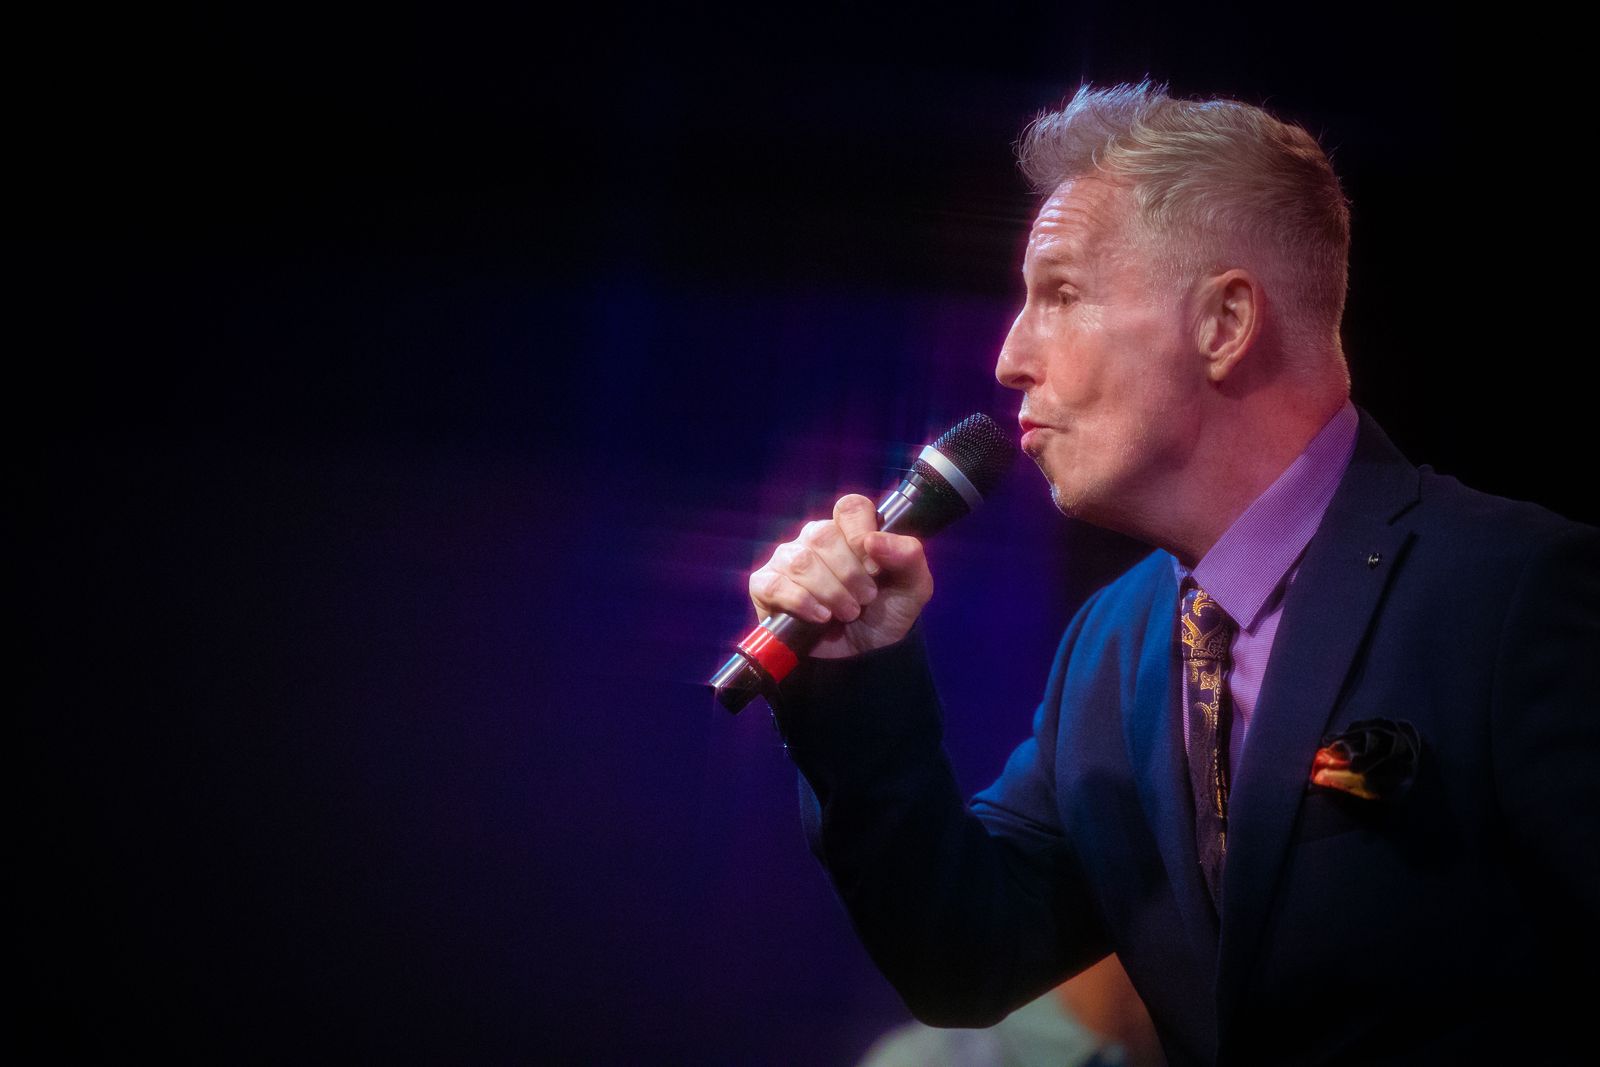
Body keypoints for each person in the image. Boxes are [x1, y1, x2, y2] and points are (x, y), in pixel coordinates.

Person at [747, 83, 1599, 1065]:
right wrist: (856, 671)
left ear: (1224, 322)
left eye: (1061, 294)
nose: (1010, 355)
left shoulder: (1513, 592)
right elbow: (965, 955)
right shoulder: (1113, 643)